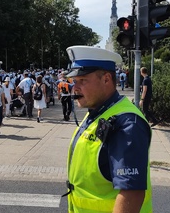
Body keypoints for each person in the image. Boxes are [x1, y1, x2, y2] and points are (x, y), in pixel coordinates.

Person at [64, 46, 152, 213]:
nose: (75, 88)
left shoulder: (127, 123)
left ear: (106, 79)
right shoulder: (98, 110)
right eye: (74, 81)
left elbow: (131, 194)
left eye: (82, 80)